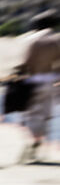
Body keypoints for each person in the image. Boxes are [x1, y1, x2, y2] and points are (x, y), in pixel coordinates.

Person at [20, 10, 59, 163]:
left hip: (34, 80)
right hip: (53, 80)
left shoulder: (32, 39)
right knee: (47, 115)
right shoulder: (57, 39)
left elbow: (26, 63)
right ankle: (44, 147)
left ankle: (35, 144)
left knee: (32, 115)